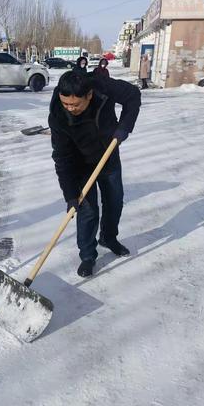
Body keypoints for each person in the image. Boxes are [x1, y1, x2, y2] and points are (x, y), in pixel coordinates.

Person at [48, 71, 141, 277]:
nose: (70, 109)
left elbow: (133, 95)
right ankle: (88, 255)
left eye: (75, 104)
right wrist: (71, 195)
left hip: (108, 154)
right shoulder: (57, 113)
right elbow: (62, 158)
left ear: (89, 95)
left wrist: (124, 127)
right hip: (80, 163)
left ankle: (108, 237)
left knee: (115, 200)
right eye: (66, 104)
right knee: (87, 210)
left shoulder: (102, 87)